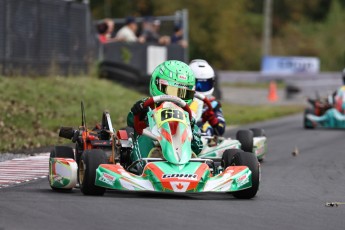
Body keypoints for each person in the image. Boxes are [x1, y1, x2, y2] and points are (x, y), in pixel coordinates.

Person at [127, 60, 203, 170]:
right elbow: (130, 120)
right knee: (144, 138)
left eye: (182, 93)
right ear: (157, 84)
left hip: (179, 152)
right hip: (152, 141)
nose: (175, 98)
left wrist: (190, 128)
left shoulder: (187, 115)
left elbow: (198, 146)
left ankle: (187, 165)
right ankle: (142, 168)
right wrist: (138, 111)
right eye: (171, 91)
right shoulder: (147, 105)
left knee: (192, 140)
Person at [189, 59, 226, 136]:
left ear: (212, 83)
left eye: (205, 85)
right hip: (183, 131)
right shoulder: (183, 101)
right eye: (197, 84)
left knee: (207, 127)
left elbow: (221, 129)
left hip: (203, 136)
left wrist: (213, 119)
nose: (200, 88)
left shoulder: (213, 105)